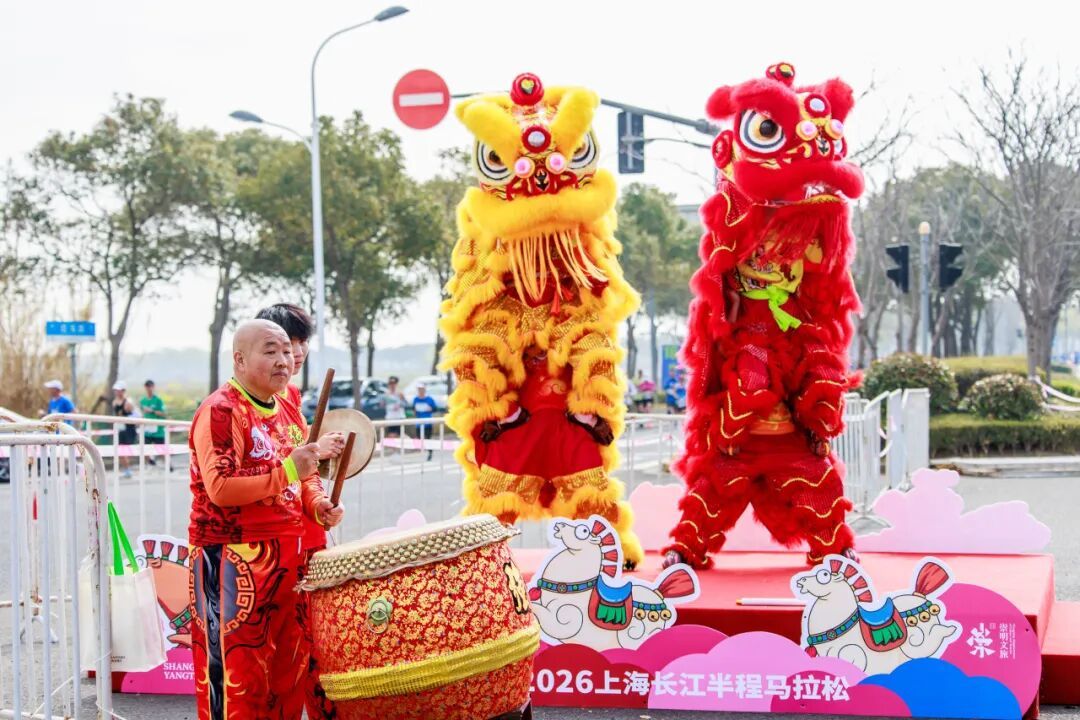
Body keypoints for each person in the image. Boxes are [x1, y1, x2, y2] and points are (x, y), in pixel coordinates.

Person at [188, 320, 344, 720]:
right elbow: (220, 487)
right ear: (240, 360)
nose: (284, 361)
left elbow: (306, 471)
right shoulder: (222, 410)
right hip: (232, 560)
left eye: (287, 351)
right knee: (239, 677)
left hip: (288, 555)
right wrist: (289, 470)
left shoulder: (288, 404)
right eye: (270, 351)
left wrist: (317, 504)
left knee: (286, 672)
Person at [255, 302, 345, 719]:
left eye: (300, 342)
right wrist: (310, 454)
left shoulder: (290, 396)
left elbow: (302, 470)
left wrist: (318, 502)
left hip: (305, 536)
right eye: (284, 344)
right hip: (266, 550)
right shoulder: (231, 407)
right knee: (273, 655)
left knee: (313, 646)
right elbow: (239, 482)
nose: (295, 352)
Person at [112, 381, 137, 477]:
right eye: (116, 390)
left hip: (129, 430)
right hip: (120, 429)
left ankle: (128, 469)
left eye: (119, 390)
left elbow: (135, 414)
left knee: (126, 450)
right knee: (119, 450)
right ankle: (127, 469)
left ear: (123, 391)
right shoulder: (114, 402)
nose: (117, 392)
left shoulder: (128, 402)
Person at [140, 380, 166, 465]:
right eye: (147, 386)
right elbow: (142, 414)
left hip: (158, 431)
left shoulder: (158, 400)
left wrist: (152, 411)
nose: (149, 388)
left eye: (150, 386)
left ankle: (168, 465)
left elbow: (163, 414)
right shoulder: (142, 401)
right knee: (144, 449)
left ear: (153, 387)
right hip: (147, 430)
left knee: (161, 451)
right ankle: (151, 462)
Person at [412, 383, 438, 461]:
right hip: (419, 423)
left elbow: (435, 408)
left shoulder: (429, 399)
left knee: (427, 438)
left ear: (424, 390)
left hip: (427, 423)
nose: (420, 391)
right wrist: (415, 411)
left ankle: (430, 452)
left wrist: (431, 409)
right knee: (419, 438)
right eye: (419, 389)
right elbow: (413, 409)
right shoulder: (415, 399)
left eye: (422, 389)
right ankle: (423, 452)